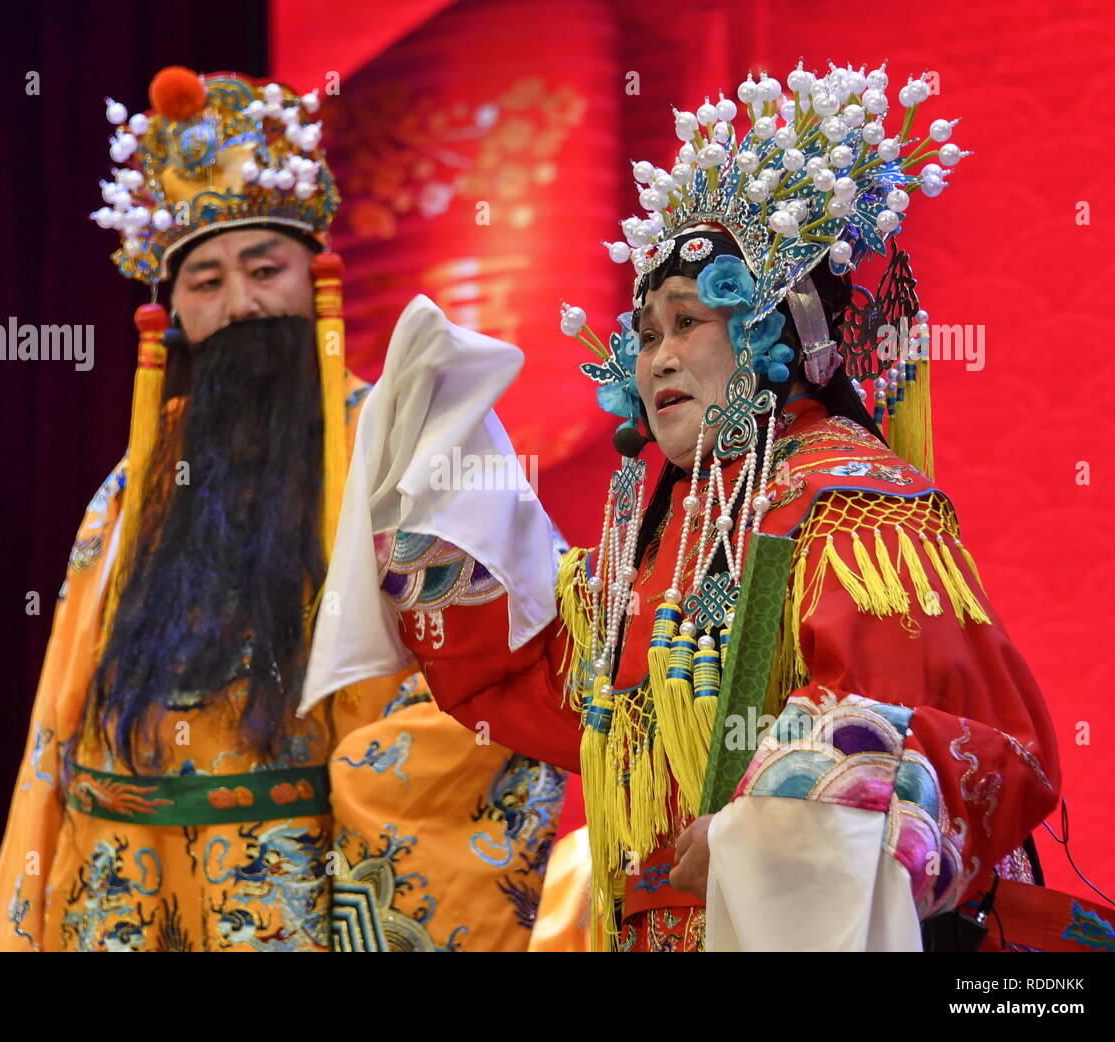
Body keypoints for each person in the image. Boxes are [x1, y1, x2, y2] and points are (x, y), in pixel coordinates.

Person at [303, 61, 1061, 951]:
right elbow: (551, 682)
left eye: (688, 322)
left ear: (773, 328)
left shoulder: (858, 510)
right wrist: (441, 475)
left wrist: (760, 831)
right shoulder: (655, 534)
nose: (657, 357)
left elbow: (970, 741)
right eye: (646, 332)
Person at [0, 67, 565, 953]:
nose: (242, 302)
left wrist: (360, 814)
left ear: (315, 278)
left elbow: (499, 678)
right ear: (169, 314)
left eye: (264, 268)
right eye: (205, 282)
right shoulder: (130, 489)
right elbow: (54, 735)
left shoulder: (408, 445)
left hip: (307, 892)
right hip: (120, 892)